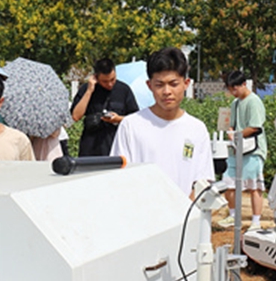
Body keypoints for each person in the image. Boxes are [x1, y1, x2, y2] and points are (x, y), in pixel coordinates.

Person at [110, 47, 213, 197]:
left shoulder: (197, 129)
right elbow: (119, 177)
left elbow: (203, 182)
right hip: (144, 216)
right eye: (159, 85)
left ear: (186, 84)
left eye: (173, 84)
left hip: (185, 217)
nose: (167, 91)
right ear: (149, 85)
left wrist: (185, 213)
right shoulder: (131, 126)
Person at [218, 70, 267, 231]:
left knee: (255, 186)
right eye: (230, 89)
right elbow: (231, 123)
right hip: (235, 149)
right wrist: (231, 132)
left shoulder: (254, 101)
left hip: (252, 150)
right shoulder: (235, 103)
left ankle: (256, 221)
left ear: (244, 84)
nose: (233, 92)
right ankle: (232, 215)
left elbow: (255, 126)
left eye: (235, 89)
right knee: (228, 183)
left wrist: (237, 134)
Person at [71, 58, 138, 157]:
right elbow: (75, 116)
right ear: (96, 77)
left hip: (116, 147)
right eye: (105, 81)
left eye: (112, 79)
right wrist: (89, 91)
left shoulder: (124, 90)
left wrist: (117, 119)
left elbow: (135, 119)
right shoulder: (87, 89)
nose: (110, 84)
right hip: (90, 149)